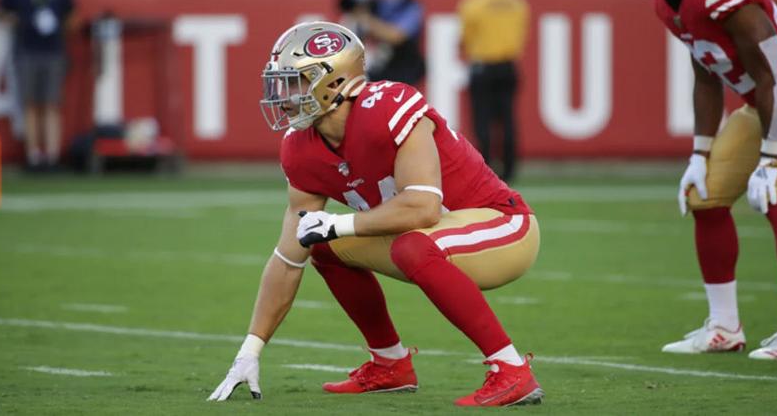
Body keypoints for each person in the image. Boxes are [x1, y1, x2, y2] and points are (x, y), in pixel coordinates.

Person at [208, 21, 543, 406]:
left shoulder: (388, 106)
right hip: (431, 240)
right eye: (282, 83)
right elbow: (287, 258)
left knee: (408, 245)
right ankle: (390, 364)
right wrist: (251, 349)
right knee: (321, 246)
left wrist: (339, 222)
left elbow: (422, 208)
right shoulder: (301, 147)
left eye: (297, 82)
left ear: (335, 83)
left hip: (502, 226)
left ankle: (510, 368)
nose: (284, 97)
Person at [634, 0, 777, 359]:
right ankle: (724, 327)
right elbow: (707, 75)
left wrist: (770, 158)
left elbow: (773, 74)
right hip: (764, 103)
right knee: (705, 195)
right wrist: (700, 152)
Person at [0, 0, 76, 170]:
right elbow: (1, 10)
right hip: (27, 50)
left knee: (51, 104)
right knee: (30, 104)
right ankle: (33, 155)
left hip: (53, 51)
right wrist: (18, 20)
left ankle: (52, 155)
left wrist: (60, 25)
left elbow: (73, 15)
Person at [458, 0, 530, 183]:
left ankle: (486, 166)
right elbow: (521, 32)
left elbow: (465, 38)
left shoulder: (473, 2)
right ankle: (509, 169)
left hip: (482, 66)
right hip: (508, 65)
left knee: (482, 120)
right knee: (507, 119)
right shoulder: (517, 1)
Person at [351, 0, 425, 86]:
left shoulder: (412, 6)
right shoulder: (374, 3)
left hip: (403, 74)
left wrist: (367, 19)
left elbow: (397, 35)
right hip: (377, 73)